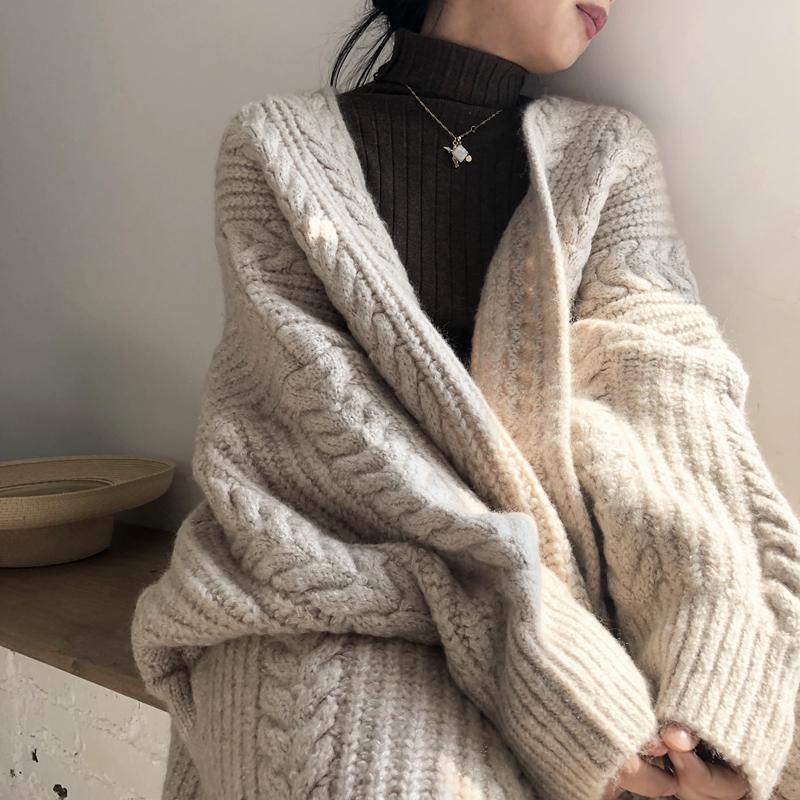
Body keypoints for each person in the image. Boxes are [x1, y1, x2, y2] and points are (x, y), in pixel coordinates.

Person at [130, 2, 800, 799]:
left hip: (569, 595)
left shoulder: (609, 157)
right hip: (337, 584)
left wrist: (713, 660)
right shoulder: (273, 149)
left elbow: (671, 408)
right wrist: (556, 675)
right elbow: (331, 443)